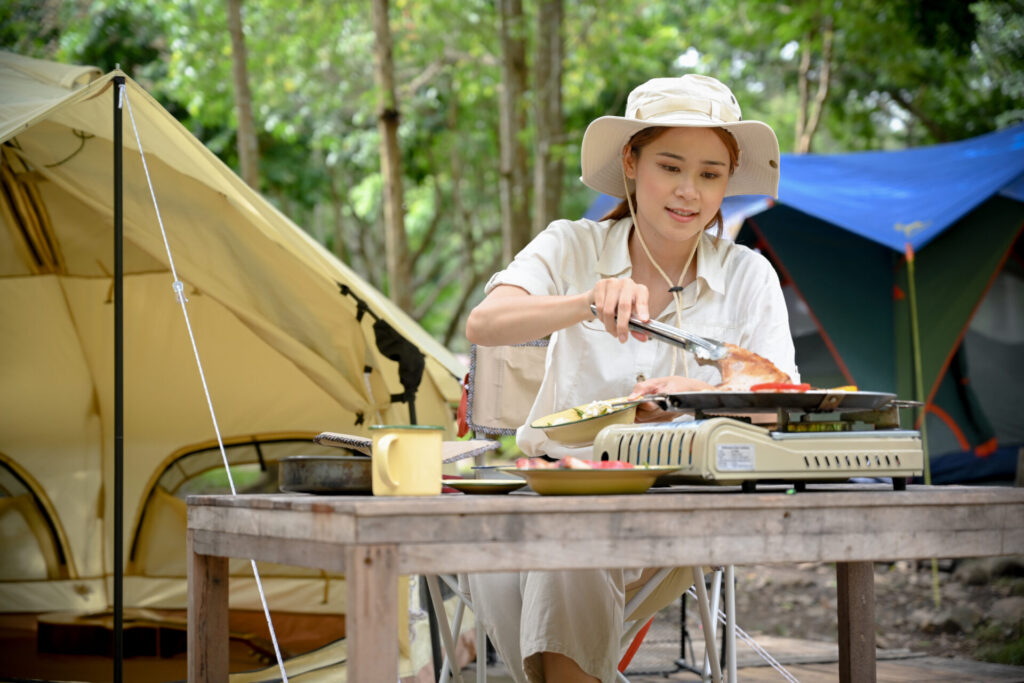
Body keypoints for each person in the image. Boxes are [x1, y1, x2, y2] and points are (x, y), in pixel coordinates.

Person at [463, 74, 799, 683]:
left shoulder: (750, 275)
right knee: (497, 562)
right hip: (550, 491)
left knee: (574, 552)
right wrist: (585, 302)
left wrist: (699, 398)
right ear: (631, 161)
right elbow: (486, 323)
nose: (688, 191)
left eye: (710, 174)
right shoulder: (572, 245)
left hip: (681, 504)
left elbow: (782, 404)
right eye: (670, 166)